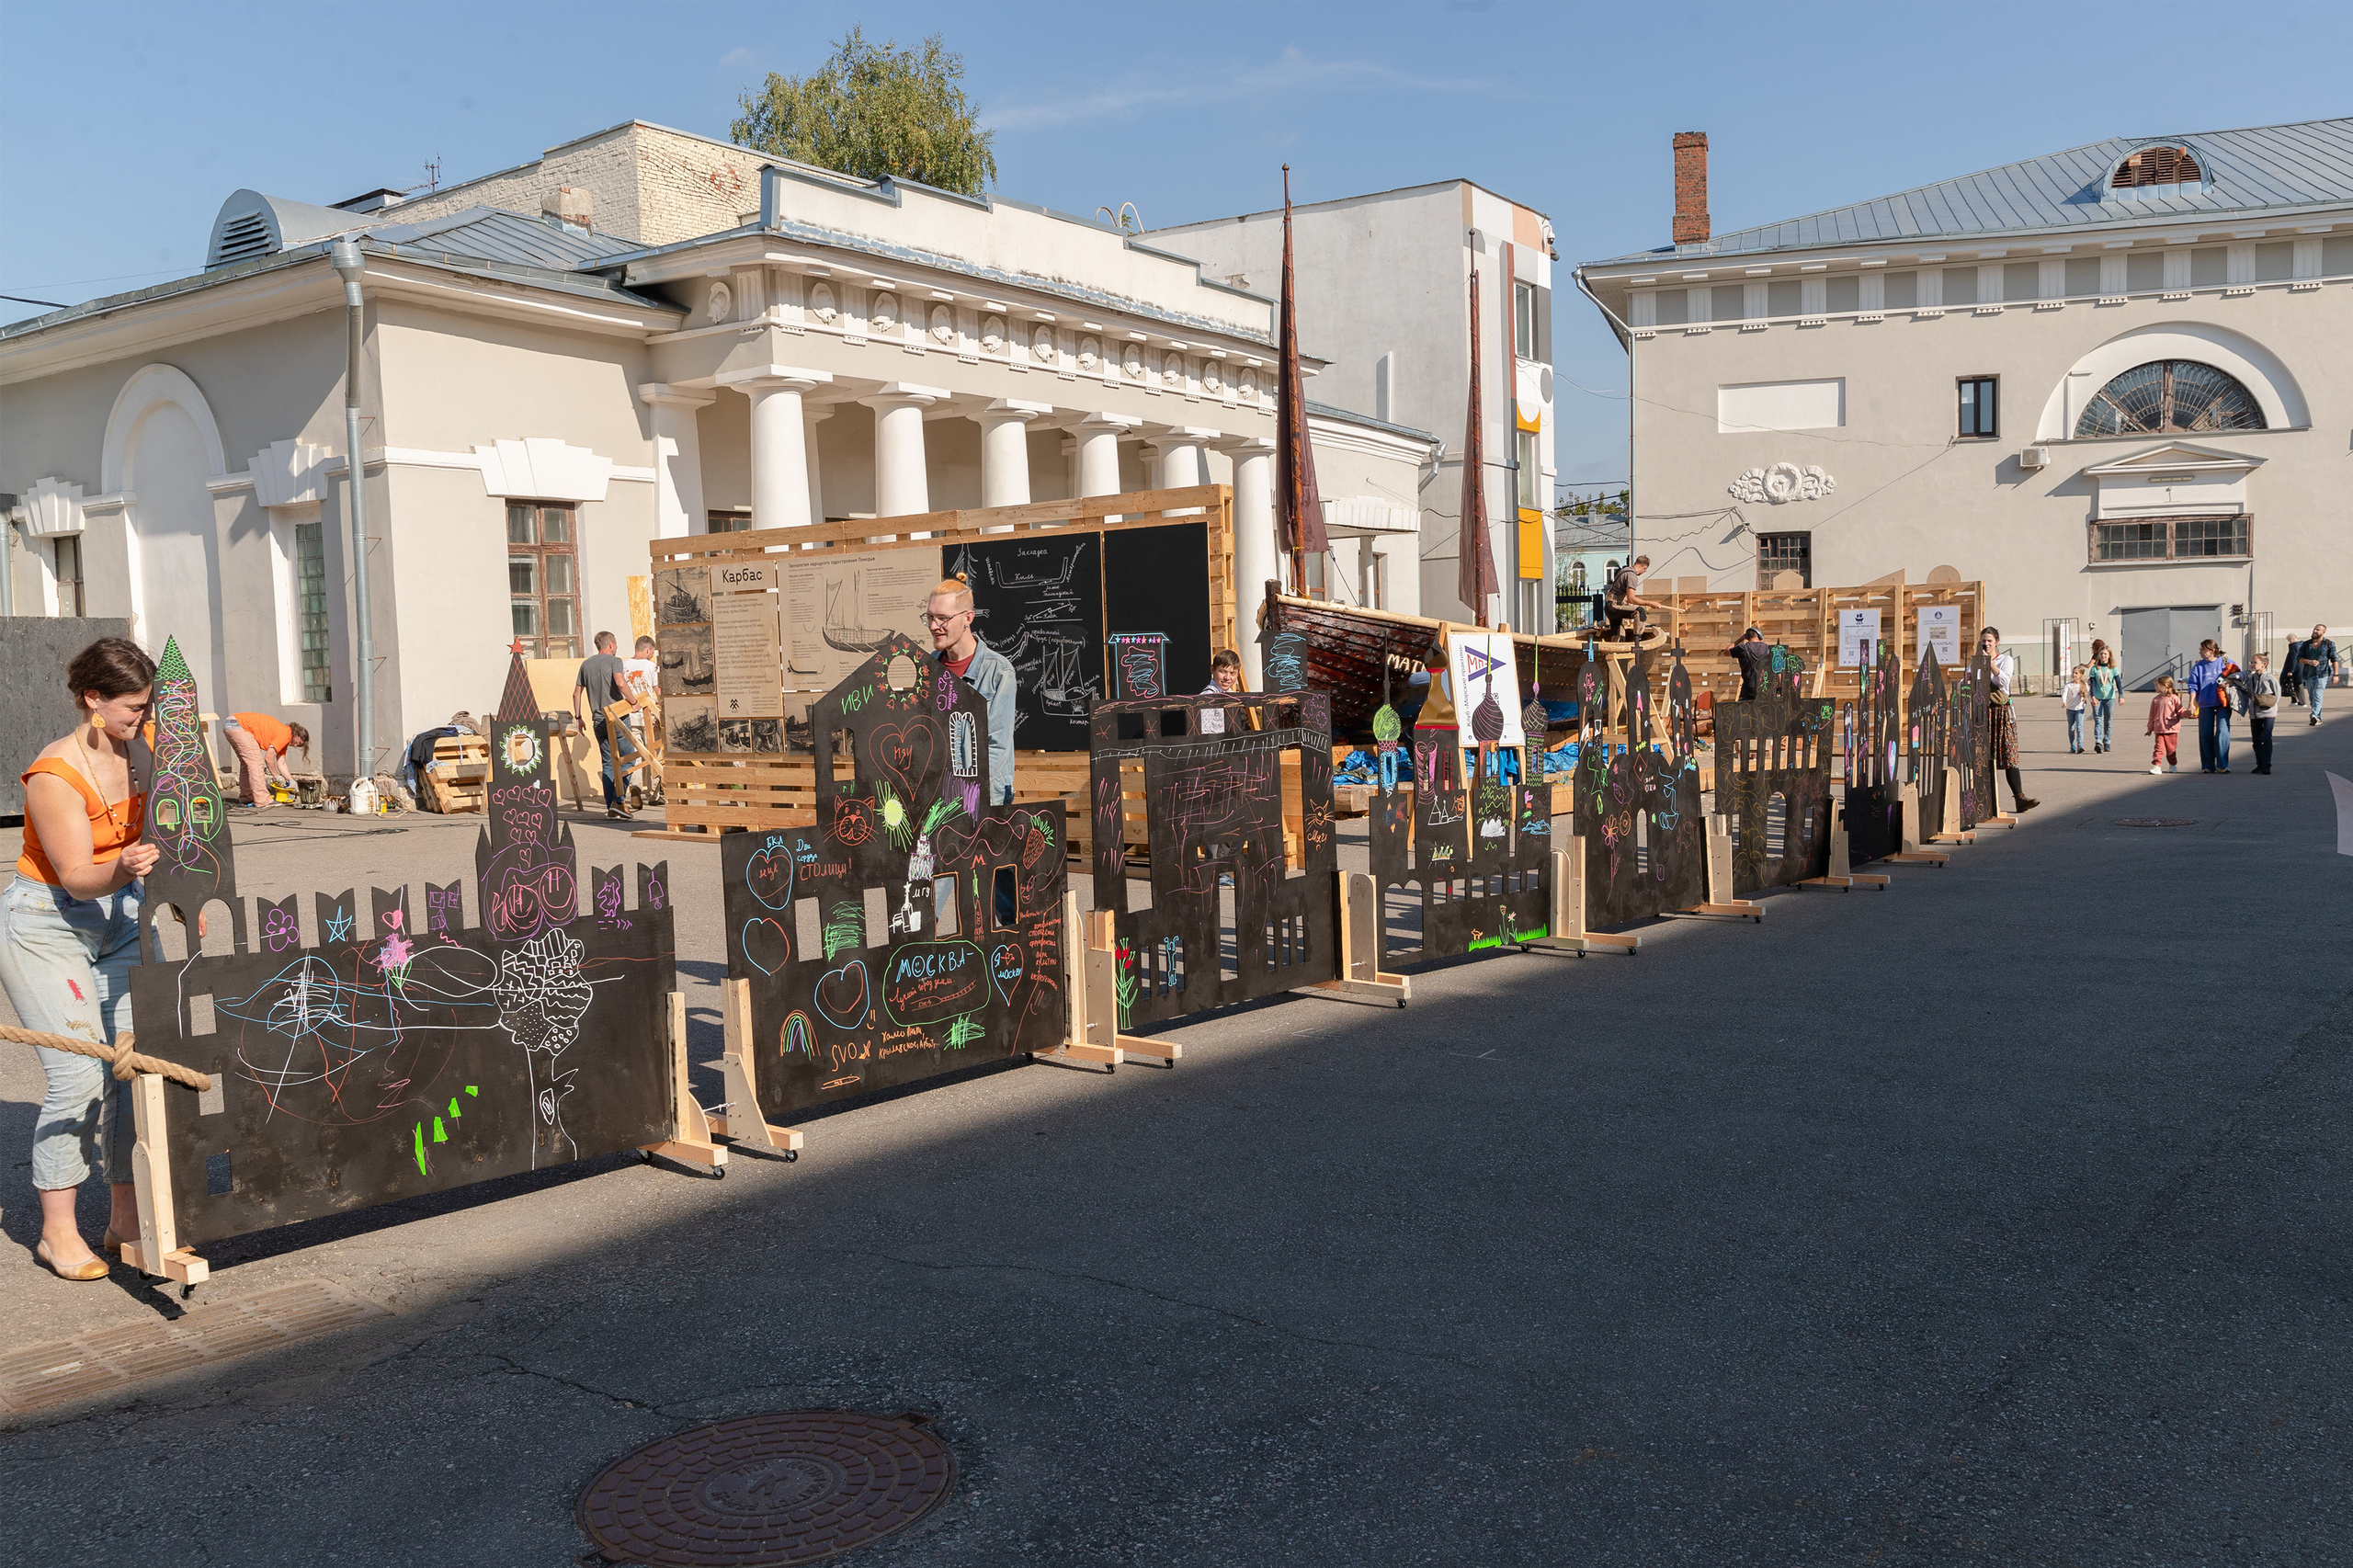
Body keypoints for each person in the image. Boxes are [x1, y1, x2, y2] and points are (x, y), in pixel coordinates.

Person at [0, 637, 157, 1280]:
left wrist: (182, 893)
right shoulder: (54, 776)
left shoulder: (141, 752)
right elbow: (75, 878)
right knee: (78, 1078)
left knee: (130, 1070)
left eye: (147, 708)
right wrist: (121, 865)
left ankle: (122, 1222)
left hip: (122, 917)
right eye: (132, 708)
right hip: (49, 923)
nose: (142, 720)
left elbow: (168, 831)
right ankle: (56, 1234)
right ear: (93, 699)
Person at [926, 576, 1016, 806]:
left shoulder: (998, 671)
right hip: (937, 797)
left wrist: (965, 795)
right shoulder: (929, 668)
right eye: (930, 617)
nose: (934, 626)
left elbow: (997, 746)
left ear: (968, 618)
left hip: (983, 797)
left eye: (943, 618)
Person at [1979, 626, 2039, 812]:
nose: (1986, 643)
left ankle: (2019, 798)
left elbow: (2003, 682)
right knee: (1984, 757)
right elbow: (1967, 681)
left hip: (2002, 712)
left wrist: (1989, 663)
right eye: (1983, 640)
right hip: (1983, 712)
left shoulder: (2006, 660)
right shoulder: (1975, 662)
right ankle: (1984, 801)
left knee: (2009, 754)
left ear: (1997, 642)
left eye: (1989, 640)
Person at [573, 631, 631, 820]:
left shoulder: (586, 664)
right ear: (611, 644)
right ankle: (618, 800)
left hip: (598, 720)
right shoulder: (615, 661)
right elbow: (620, 683)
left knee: (608, 763)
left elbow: (576, 693)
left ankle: (611, 806)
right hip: (617, 717)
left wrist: (579, 717)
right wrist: (633, 702)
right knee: (628, 759)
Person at [220, 710, 309, 806]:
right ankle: (262, 799)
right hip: (239, 726)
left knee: (247, 763)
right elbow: (269, 758)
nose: (295, 746)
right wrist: (276, 776)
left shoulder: (283, 736)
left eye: (298, 746)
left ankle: (246, 797)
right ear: (297, 734)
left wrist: (291, 781)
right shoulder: (286, 734)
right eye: (298, 743)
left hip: (231, 724)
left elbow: (281, 762)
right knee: (256, 762)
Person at [2187, 638, 2232, 773]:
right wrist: (2191, 704)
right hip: (2205, 704)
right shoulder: (2198, 667)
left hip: (2223, 703)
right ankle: (2208, 765)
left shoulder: (2225, 662)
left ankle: (2223, 764)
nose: (2200, 652)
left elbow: (2238, 676)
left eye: (2202, 650)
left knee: (2222, 732)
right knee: (2205, 734)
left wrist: (2229, 683)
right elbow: (2193, 686)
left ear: (2212, 651)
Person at [2235, 653, 2281, 775]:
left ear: (2264, 664)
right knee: (2256, 740)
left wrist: (2269, 704)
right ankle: (2259, 764)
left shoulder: (2270, 678)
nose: (2252, 664)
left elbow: (2277, 694)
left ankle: (2267, 765)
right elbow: (2247, 691)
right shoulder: (2251, 678)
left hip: (2268, 713)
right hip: (2254, 713)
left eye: (2255, 662)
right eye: (2251, 662)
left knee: (2266, 738)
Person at [1602, 554, 1660, 642]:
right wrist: (1650, 603)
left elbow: (1621, 595)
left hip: (1610, 607)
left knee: (1619, 636)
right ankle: (1637, 643)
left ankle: (1616, 652)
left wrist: (1625, 603)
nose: (1644, 572)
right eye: (1645, 570)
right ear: (1645, 567)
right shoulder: (1632, 575)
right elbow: (1631, 599)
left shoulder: (1624, 571)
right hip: (1614, 606)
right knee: (1640, 612)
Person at [2289, 623, 2336, 726]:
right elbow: (2299, 659)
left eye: (2318, 630)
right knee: (2312, 697)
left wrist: (2336, 675)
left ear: (2323, 632)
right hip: (2309, 675)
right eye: (2314, 629)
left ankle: (2313, 715)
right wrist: (2309, 662)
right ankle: (2318, 718)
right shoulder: (2306, 644)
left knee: (2318, 695)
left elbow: (2334, 660)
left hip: (2322, 674)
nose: (2315, 631)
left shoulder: (2329, 644)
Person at [1199, 648, 1245, 736]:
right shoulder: (1208, 696)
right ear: (1212, 670)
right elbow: (1204, 734)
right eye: (1223, 672)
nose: (1227, 677)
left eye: (1232, 673)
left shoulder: (1232, 695)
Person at [2085, 642, 2120, 754]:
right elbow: (2093, 684)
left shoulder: (2113, 669)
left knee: (2108, 721)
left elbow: (2118, 683)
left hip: (2110, 698)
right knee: (2098, 719)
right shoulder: (2095, 669)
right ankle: (2098, 741)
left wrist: (2121, 696)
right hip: (2098, 698)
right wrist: (2093, 697)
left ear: (2109, 655)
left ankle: (2107, 741)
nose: (2103, 656)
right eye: (2101, 654)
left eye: (2105, 654)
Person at [2145, 675, 2184, 774]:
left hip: (2171, 729)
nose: (2155, 688)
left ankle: (2172, 765)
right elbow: (2152, 715)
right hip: (2159, 728)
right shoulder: (2155, 700)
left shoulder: (2174, 698)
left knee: (2171, 750)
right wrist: (2150, 728)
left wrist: (2187, 712)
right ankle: (2157, 765)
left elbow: (2180, 711)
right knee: (2158, 748)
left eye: (2157, 685)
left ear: (2165, 686)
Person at [1727, 626, 1771, 700]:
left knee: (1743, 710)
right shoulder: (1768, 649)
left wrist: (1740, 639)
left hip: (1748, 687)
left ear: (1747, 637)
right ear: (1759, 636)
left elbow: (1726, 651)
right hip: (1765, 687)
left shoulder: (1742, 648)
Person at [2063, 665, 2088, 754]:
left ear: (2081, 675)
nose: (2074, 675)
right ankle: (2072, 746)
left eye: (2076, 673)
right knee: (2071, 728)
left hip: (2080, 709)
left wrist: (2093, 701)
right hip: (2070, 709)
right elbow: (2064, 694)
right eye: (2073, 673)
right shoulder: (2068, 685)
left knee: (2079, 727)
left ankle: (2080, 745)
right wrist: (2064, 702)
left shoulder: (2084, 685)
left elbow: (2088, 695)